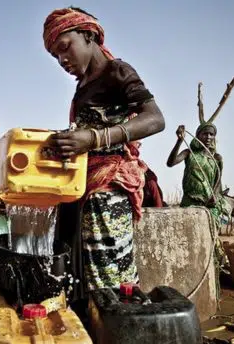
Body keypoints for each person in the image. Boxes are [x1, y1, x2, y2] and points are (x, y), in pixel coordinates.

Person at [43, 7, 165, 306]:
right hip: (82, 185)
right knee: (78, 272)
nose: (62, 60)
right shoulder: (83, 87)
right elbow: (88, 131)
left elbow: (155, 119)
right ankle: (90, 338)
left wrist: (94, 138)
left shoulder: (116, 71)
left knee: (110, 278)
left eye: (64, 48)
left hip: (107, 188)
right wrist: (65, 143)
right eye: (56, 56)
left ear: (87, 35)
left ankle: (119, 336)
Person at [167, 123, 230, 276]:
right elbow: (170, 163)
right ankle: (190, 272)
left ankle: (218, 271)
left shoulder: (217, 158)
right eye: (204, 134)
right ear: (198, 136)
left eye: (211, 134)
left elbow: (217, 183)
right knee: (189, 238)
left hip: (209, 205)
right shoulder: (189, 153)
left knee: (211, 238)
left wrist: (215, 197)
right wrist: (179, 140)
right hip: (190, 202)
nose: (208, 137)